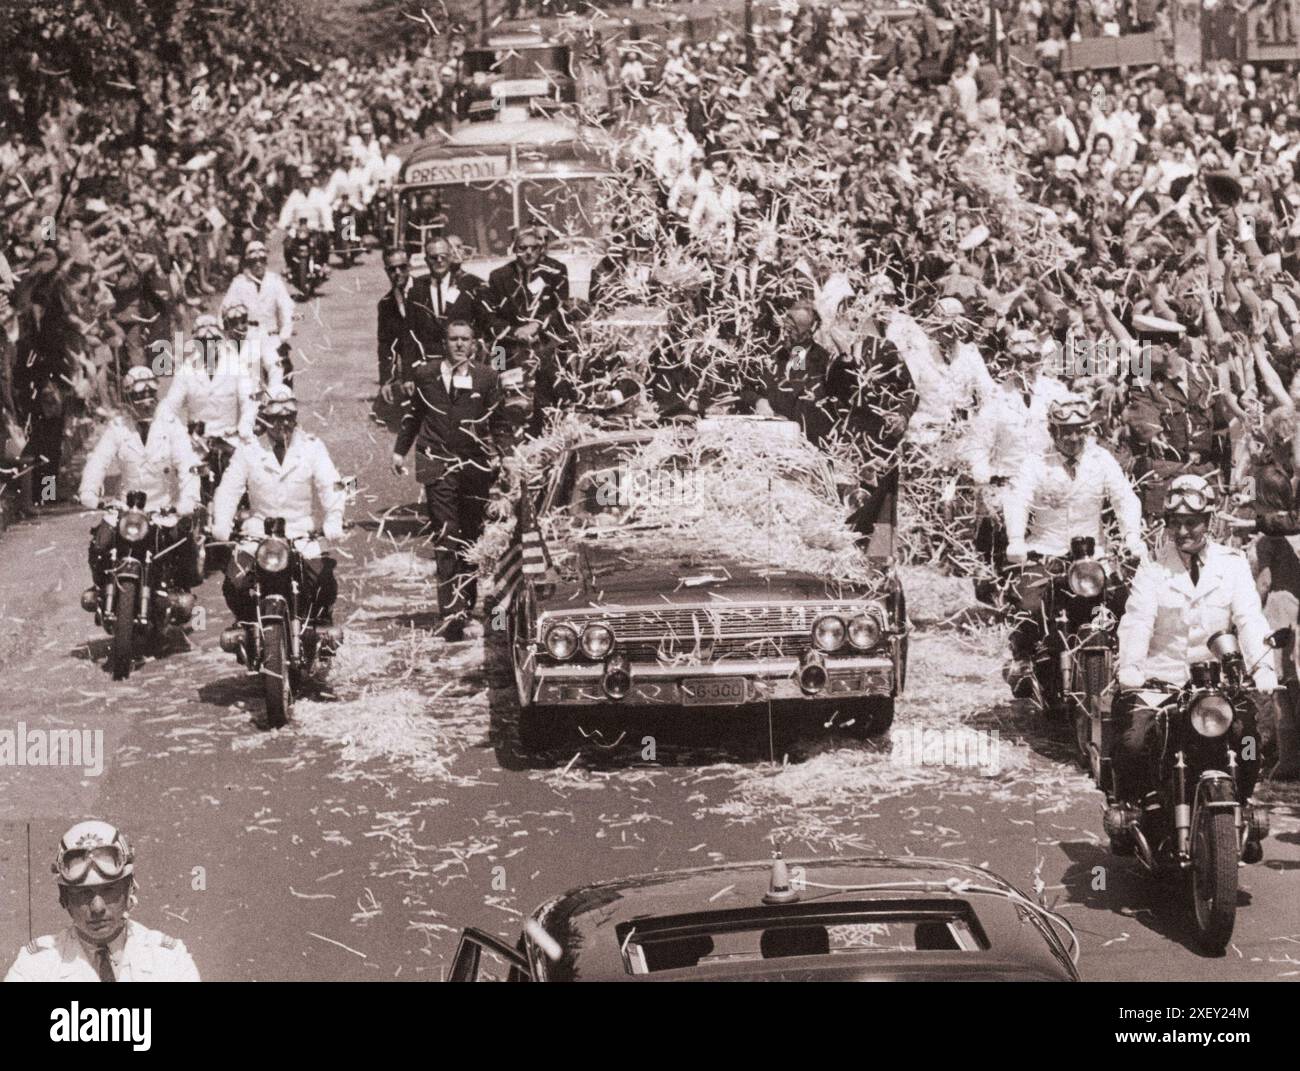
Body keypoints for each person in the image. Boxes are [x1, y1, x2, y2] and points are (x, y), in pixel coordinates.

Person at [1112, 475, 1278, 856]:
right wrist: (1131, 668)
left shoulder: (1233, 565)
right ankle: (1138, 808)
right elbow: (1137, 621)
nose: (1183, 531)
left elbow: (1250, 618)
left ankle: (1244, 799)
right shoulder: (1153, 569)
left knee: (1253, 739)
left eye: (1193, 522)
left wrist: (1262, 667)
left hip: (1218, 687)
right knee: (1134, 742)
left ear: (1210, 521)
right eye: (1175, 523)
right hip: (1162, 682)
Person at [1001, 396, 1145, 694]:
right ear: (1052, 431)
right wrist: (1016, 540)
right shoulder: (1035, 462)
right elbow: (1018, 499)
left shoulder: (1101, 460)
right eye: (1065, 430)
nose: (1074, 437)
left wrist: (1132, 536)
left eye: (1080, 429)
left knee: (1128, 604)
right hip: (1047, 552)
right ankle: (1023, 661)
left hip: (1094, 559)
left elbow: (1124, 498)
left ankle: (1128, 666)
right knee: (1028, 605)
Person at [392, 319, 510, 640]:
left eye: (465, 340)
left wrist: (506, 454)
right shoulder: (426, 375)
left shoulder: (486, 377)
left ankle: (467, 604)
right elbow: (414, 414)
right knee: (446, 536)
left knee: (471, 538)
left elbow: (499, 422)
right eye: (453, 339)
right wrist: (400, 451)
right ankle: (450, 613)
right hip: (436, 464)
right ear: (444, 344)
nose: (459, 344)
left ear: (474, 345)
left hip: (474, 468)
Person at [211, 385, 347, 630]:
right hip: (258, 535)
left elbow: (331, 484)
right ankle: (246, 628)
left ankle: (319, 629)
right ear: (263, 418)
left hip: (300, 533)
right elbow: (229, 488)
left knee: (322, 582)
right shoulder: (249, 450)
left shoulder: (312, 446)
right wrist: (221, 522)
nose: (283, 424)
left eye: (289, 417)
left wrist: (333, 518)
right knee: (235, 582)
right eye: (275, 418)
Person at [4, 819, 200, 982]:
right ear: (64, 898)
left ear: (129, 888)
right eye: (83, 893)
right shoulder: (34, 967)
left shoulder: (168, 959)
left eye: (109, 890)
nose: (97, 907)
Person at [77, 366, 202, 602]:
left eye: (150, 395)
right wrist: (89, 491)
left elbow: (187, 463)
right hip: (126, 509)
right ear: (128, 399)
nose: (145, 402)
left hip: (163, 507)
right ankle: (102, 591)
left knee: (183, 543)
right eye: (138, 396)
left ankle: (180, 594)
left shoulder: (171, 424)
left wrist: (188, 499)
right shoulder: (117, 428)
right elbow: (98, 460)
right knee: (100, 544)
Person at [485, 227, 570, 369]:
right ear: (514, 250)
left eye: (534, 248)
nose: (529, 253)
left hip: (545, 342)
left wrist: (537, 325)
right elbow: (489, 316)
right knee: (497, 379)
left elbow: (563, 308)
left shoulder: (554, 274)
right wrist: (513, 333)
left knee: (552, 382)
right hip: (508, 345)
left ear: (540, 249)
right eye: (523, 248)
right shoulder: (498, 277)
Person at [376, 248, 438, 428]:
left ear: (409, 266)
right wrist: (386, 380)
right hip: (410, 367)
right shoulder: (386, 304)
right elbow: (385, 344)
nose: (397, 273)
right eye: (392, 269)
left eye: (402, 267)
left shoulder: (427, 290)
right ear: (386, 271)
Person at [220, 241, 293, 389]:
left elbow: (287, 306)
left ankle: (275, 403)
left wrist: (285, 332)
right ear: (247, 263)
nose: (258, 265)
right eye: (254, 262)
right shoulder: (239, 283)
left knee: (276, 367)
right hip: (249, 337)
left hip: (271, 336)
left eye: (262, 261)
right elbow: (224, 309)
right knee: (247, 374)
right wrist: (226, 331)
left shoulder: (274, 281)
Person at [409, 235, 487, 353]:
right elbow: (410, 332)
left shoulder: (471, 285)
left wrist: (495, 365)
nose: (439, 261)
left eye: (443, 256)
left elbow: (486, 324)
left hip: (466, 359)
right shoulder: (416, 289)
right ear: (426, 260)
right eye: (434, 257)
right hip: (430, 362)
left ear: (450, 257)